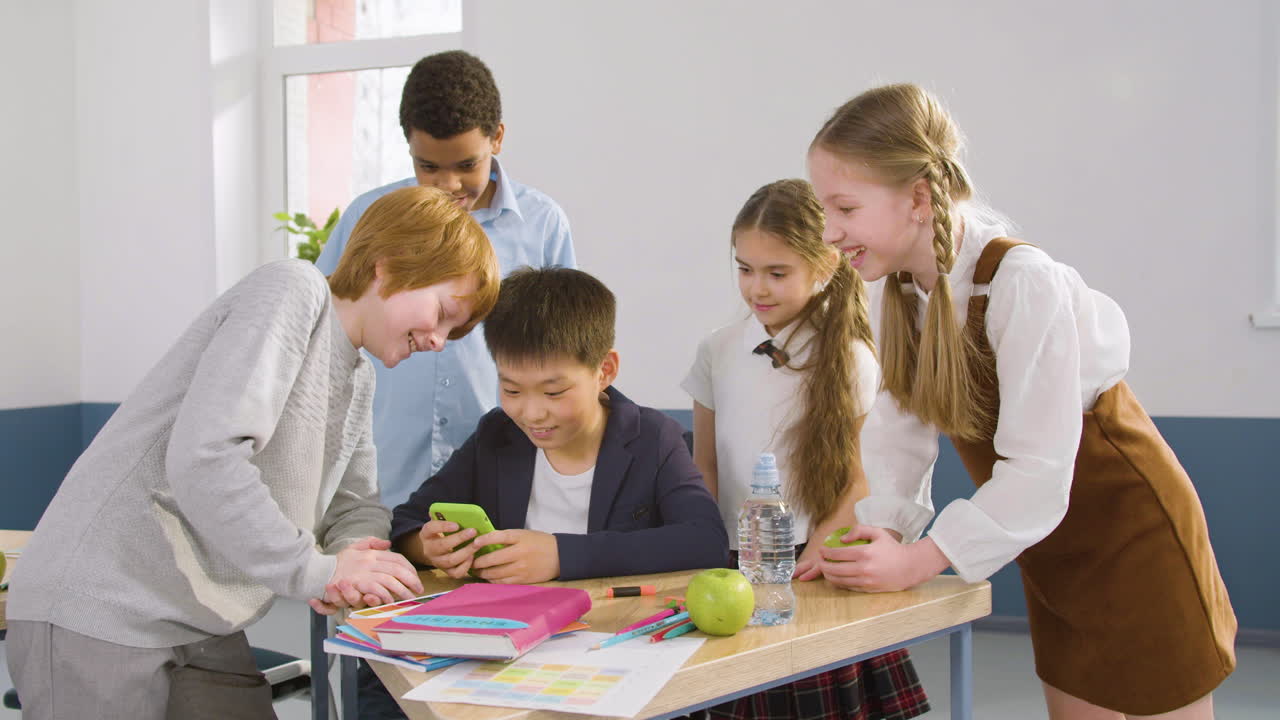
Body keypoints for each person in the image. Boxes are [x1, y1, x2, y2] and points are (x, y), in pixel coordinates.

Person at [807, 83, 1236, 719]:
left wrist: (921, 560)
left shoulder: (1020, 282)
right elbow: (899, 435)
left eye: (844, 207)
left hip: (1132, 538)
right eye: (824, 209)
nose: (830, 230)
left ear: (919, 198)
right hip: (1051, 551)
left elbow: (1037, 472)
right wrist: (883, 532)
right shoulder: (903, 292)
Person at [5, 185, 501, 720]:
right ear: (389, 265)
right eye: (444, 313)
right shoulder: (295, 290)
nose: (440, 340)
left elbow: (356, 504)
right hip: (102, 606)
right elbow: (206, 459)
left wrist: (357, 560)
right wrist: (319, 571)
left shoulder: (358, 379)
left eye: (456, 331)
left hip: (199, 621)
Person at [681, 179, 929, 720]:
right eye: (745, 269)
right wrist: (698, 546)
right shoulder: (718, 350)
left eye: (777, 272)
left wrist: (820, 545)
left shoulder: (853, 359)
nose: (757, 288)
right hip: (732, 560)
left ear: (824, 267)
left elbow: (858, 479)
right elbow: (704, 465)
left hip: (814, 562)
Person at [315, 49, 576, 511]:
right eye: (428, 167)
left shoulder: (542, 224)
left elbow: (562, 350)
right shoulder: (369, 217)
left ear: (497, 138)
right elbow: (325, 330)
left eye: (466, 166)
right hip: (382, 472)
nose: (448, 185)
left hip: (502, 473)